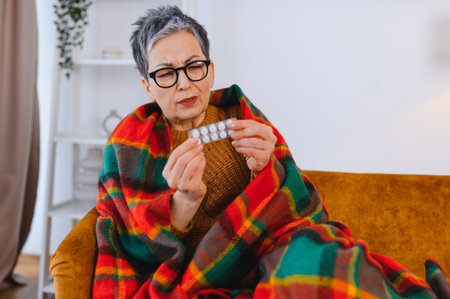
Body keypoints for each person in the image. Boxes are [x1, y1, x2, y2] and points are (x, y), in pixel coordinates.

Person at [93, 5, 449, 298]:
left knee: (322, 259)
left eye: (194, 66)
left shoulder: (243, 116)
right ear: (148, 86)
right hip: (203, 271)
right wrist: (183, 203)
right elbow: (134, 250)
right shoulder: (129, 145)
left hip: (271, 250)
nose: (184, 82)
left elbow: (304, 204)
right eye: (166, 73)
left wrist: (266, 170)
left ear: (211, 70)